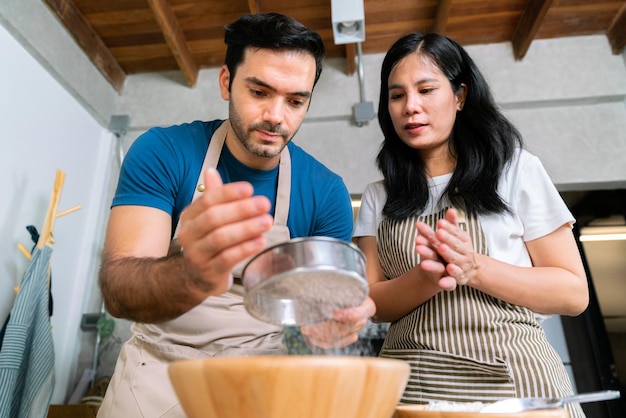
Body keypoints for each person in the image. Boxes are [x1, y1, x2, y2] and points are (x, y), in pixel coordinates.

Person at [97, 13, 375, 417]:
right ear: (227, 81)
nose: (277, 116)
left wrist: (329, 329)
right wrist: (191, 274)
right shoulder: (164, 152)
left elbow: (313, 323)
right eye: (260, 92)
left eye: (295, 101)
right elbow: (118, 289)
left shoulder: (326, 193)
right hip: (155, 377)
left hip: (261, 385)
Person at [353, 32, 589, 418]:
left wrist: (474, 267)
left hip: (515, 386)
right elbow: (373, 304)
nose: (411, 106)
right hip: (415, 388)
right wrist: (428, 278)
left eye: (426, 89)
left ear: (460, 96)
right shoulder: (379, 196)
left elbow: (573, 292)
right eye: (397, 95)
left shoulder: (516, 170)